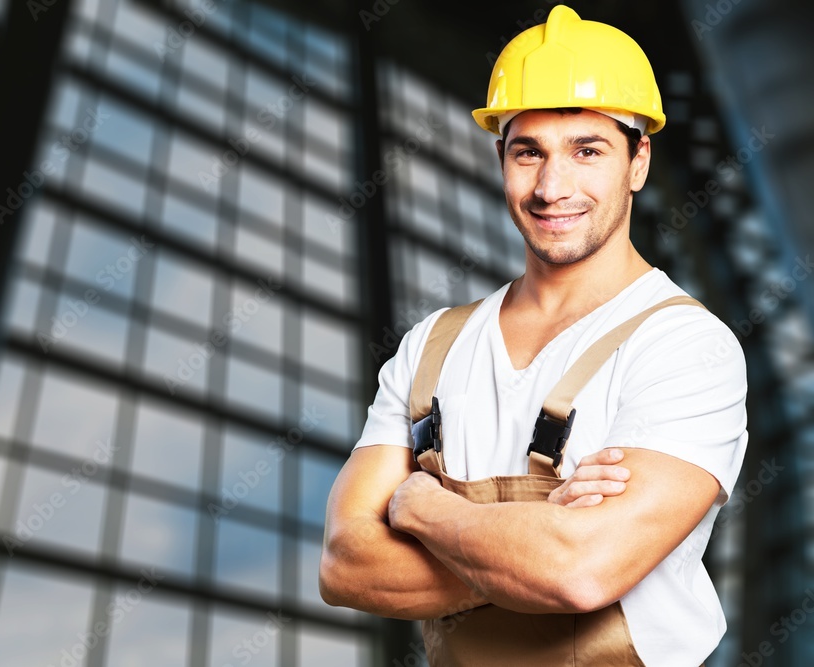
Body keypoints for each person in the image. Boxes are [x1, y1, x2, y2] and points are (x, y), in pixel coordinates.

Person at [319, 5, 748, 666]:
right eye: (529, 152)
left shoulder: (687, 347)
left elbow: (581, 570)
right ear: (501, 159)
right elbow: (345, 564)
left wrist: (423, 509)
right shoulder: (431, 346)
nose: (552, 186)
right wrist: (528, 548)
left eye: (587, 150)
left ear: (638, 160)